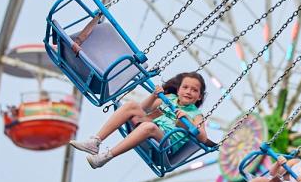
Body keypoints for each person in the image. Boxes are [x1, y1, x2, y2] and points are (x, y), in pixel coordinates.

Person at [69, 72, 210, 168]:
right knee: (131, 105)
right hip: (150, 127)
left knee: (149, 127)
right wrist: (154, 96)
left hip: (166, 144)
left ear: (199, 97)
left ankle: (106, 157)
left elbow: (203, 138)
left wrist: (187, 121)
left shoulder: (196, 114)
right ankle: (95, 141)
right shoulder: (170, 99)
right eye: (185, 87)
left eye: (194, 90)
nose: (188, 92)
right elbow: (143, 109)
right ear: (178, 90)